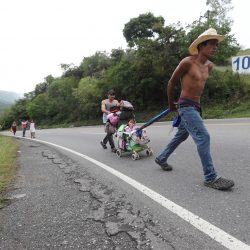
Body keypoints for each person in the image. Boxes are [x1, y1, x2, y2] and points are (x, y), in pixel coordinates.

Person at [155, 28, 234, 191]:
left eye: (216, 45)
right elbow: (171, 82)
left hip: (196, 107)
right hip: (185, 106)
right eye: (212, 44)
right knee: (203, 136)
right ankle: (210, 177)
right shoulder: (187, 62)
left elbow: (199, 87)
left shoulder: (209, 66)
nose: (215, 47)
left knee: (181, 135)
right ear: (201, 46)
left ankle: (162, 157)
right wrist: (171, 104)